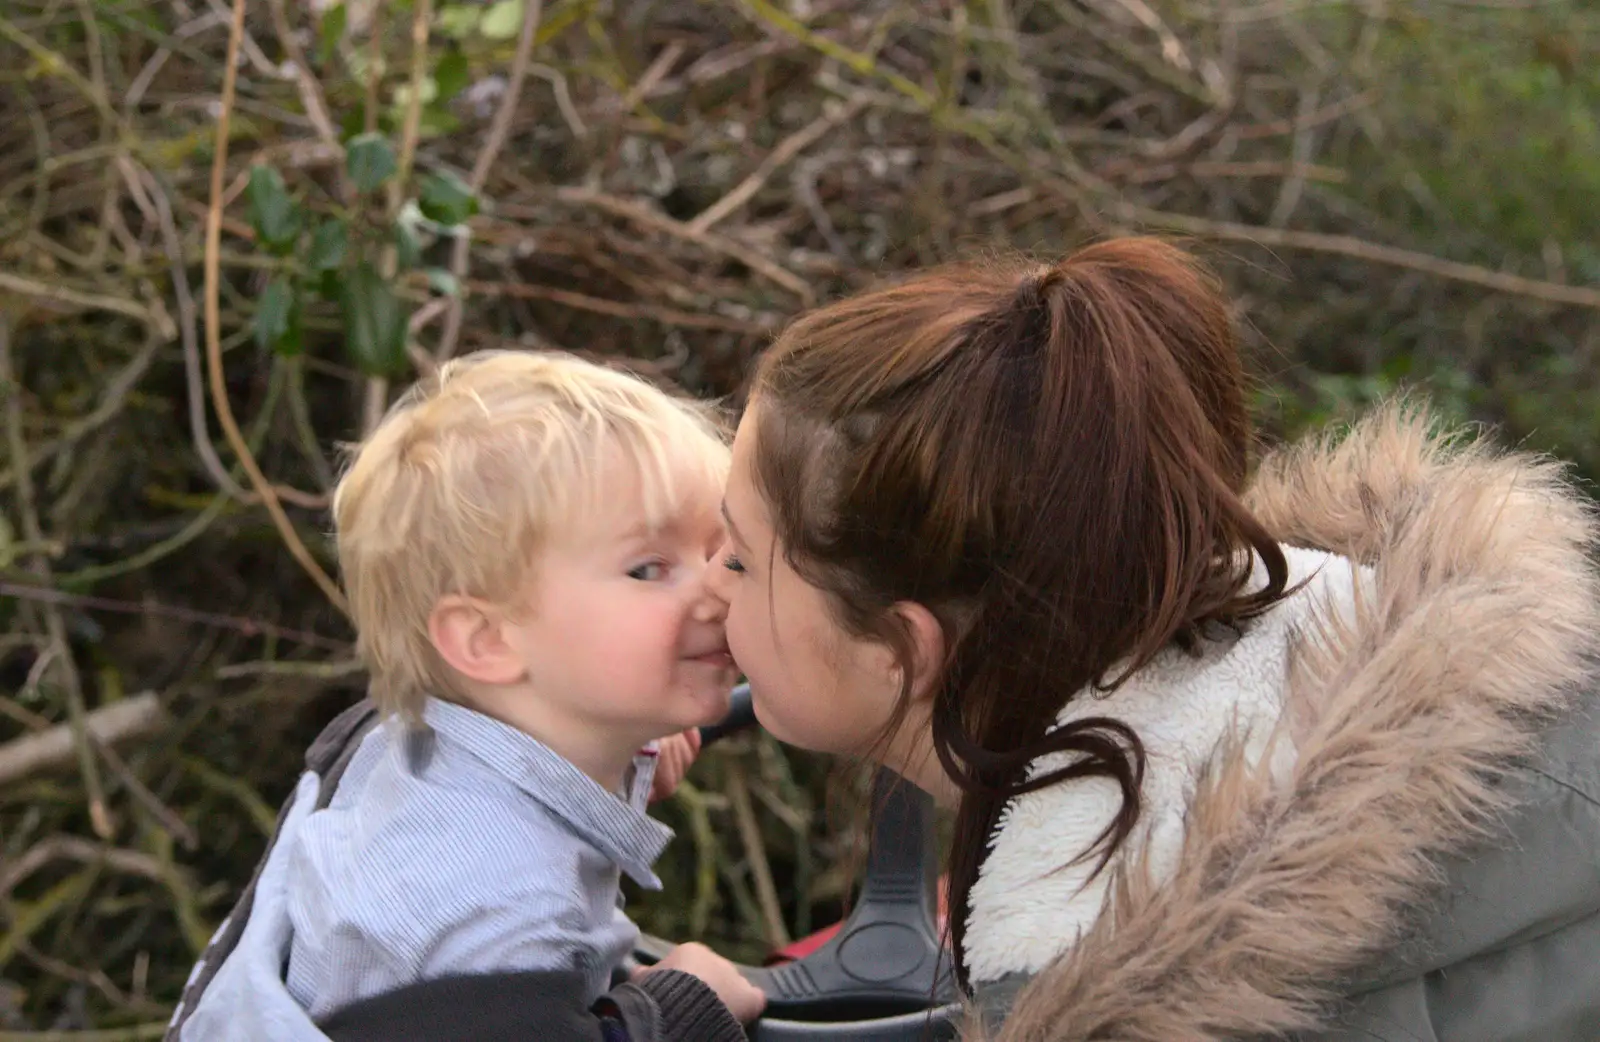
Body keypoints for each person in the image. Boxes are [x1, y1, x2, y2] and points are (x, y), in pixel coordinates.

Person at [707, 237, 1600, 1041]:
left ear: (898, 651)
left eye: (741, 560)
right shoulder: (1477, 680)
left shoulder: (1112, 987)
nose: (708, 583)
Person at [168, 349, 764, 1041]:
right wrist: (678, 1012)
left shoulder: (399, 746)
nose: (718, 585)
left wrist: (624, 749)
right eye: (649, 568)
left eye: (720, 549)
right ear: (485, 640)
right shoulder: (490, 897)